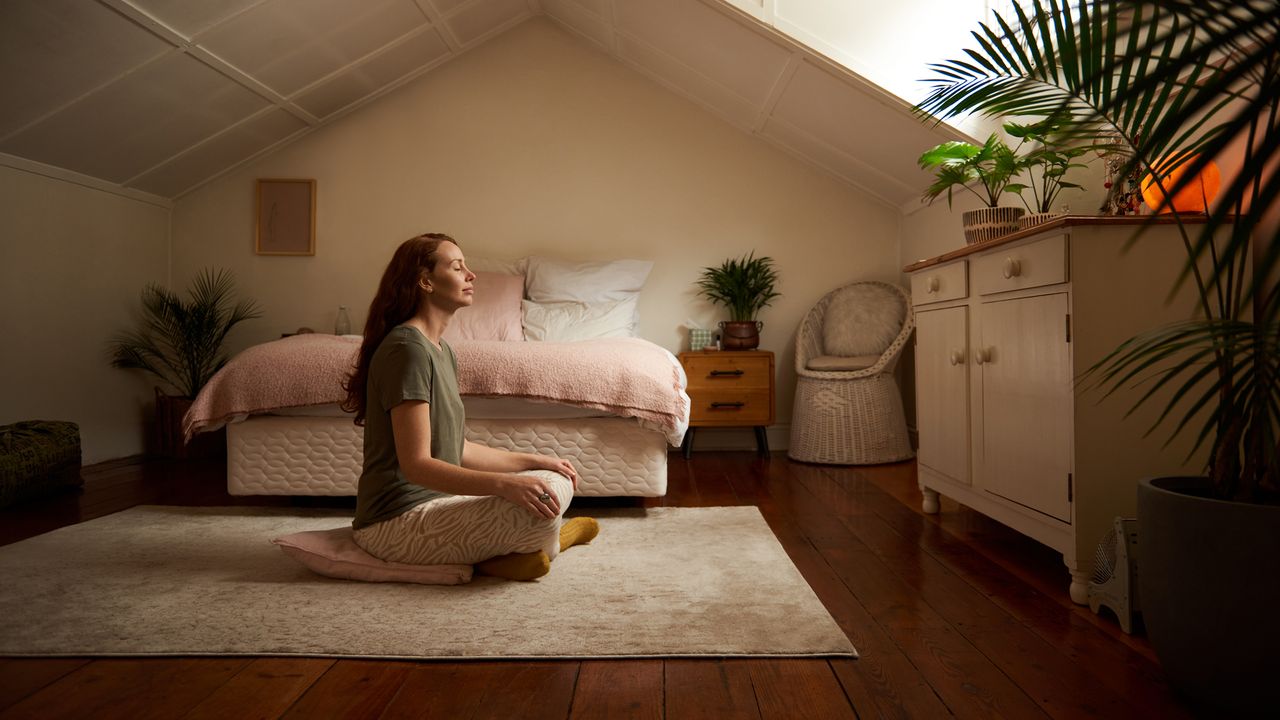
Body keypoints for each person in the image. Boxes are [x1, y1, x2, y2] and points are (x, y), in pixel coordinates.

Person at [341, 232, 598, 580]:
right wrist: (504, 484)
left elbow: (455, 449)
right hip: (394, 523)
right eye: (457, 267)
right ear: (425, 281)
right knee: (530, 508)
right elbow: (416, 466)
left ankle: (505, 556)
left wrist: (537, 461)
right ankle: (548, 544)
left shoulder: (441, 351)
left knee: (551, 481)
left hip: (438, 504)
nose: (471, 275)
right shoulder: (407, 349)